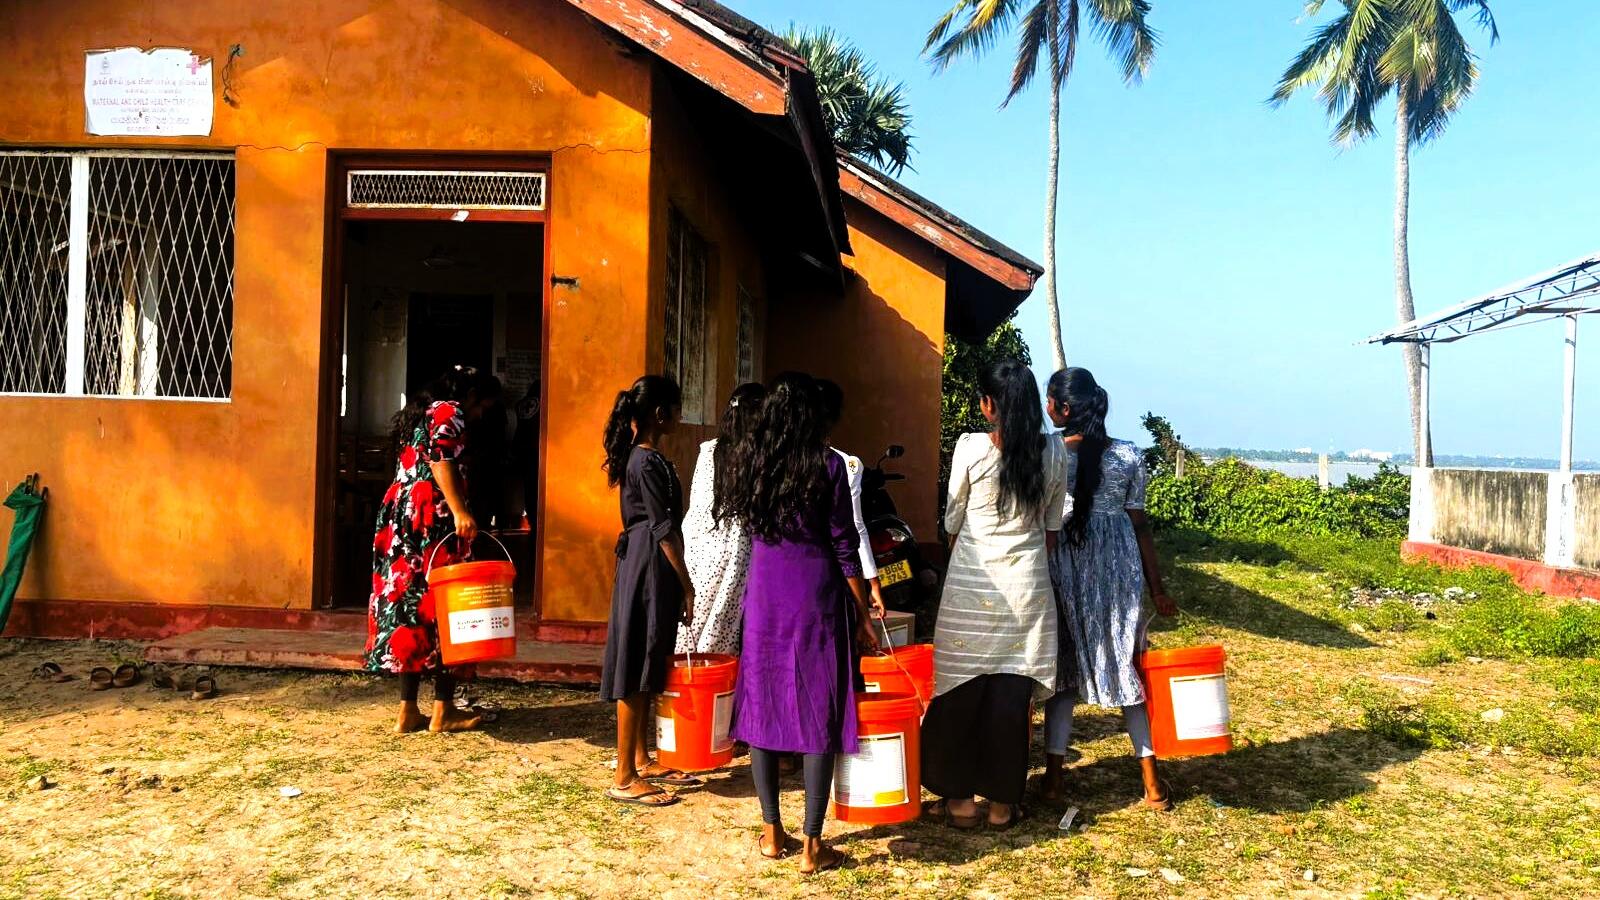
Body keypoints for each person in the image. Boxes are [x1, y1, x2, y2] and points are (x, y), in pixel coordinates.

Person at [723, 372, 877, 875]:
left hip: (766, 593)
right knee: (819, 711)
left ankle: (772, 831)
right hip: (815, 595)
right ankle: (812, 844)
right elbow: (842, 544)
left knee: (763, 708)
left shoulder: (753, 462)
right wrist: (863, 608)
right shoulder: (828, 466)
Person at [922, 360, 1068, 830]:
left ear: (988, 405)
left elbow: (951, 518)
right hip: (1027, 590)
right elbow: (1051, 525)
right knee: (1010, 697)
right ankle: (1004, 805)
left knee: (959, 692)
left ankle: (960, 801)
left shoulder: (969, 448)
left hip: (972, 585)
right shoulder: (1054, 453)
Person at [1041, 367, 1178, 810]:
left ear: (1064, 408)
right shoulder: (1130, 456)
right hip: (1120, 571)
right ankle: (1153, 784)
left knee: (1064, 675)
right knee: (1125, 665)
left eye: (1050, 401)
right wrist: (1157, 588)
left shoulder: (1051, 453)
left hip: (1066, 566)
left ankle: (1055, 783)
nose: (1046, 409)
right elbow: (1141, 527)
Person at [365, 365, 503, 734]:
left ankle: (408, 711)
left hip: (402, 519)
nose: (479, 416)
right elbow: (441, 459)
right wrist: (460, 511)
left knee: (410, 609)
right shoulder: (450, 411)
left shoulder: (420, 412)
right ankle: (444, 711)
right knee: (449, 607)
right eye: (482, 407)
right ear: (471, 397)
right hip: (434, 518)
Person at [599, 375, 697, 807]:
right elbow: (663, 529)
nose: (680, 415)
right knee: (636, 662)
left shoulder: (650, 458)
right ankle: (624, 775)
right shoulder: (646, 461)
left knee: (648, 658)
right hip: (648, 566)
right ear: (661, 413)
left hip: (646, 562)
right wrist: (687, 583)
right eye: (677, 408)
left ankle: (641, 757)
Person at [677, 382, 767, 655]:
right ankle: (717, 677)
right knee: (724, 621)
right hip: (735, 548)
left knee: (693, 619)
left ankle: (685, 675)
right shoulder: (757, 455)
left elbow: (698, 501)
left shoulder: (708, 450)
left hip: (698, 545)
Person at [815, 379, 886, 617]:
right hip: (831, 573)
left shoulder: (773, 458)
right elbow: (855, 527)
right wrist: (872, 583)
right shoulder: (844, 463)